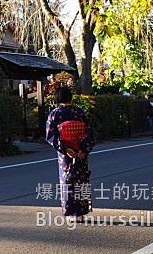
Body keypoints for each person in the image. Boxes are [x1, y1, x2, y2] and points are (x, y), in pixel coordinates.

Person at [46, 87, 95, 222]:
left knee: (67, 181)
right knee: (82, 180)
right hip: (80, 154)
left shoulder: (55, 114)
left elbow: (51, 136)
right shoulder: (80, 113)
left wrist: (66, 149)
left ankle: (71, 212)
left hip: (65, 155)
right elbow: (89, 134)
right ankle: (81, 213)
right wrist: (82, 150)